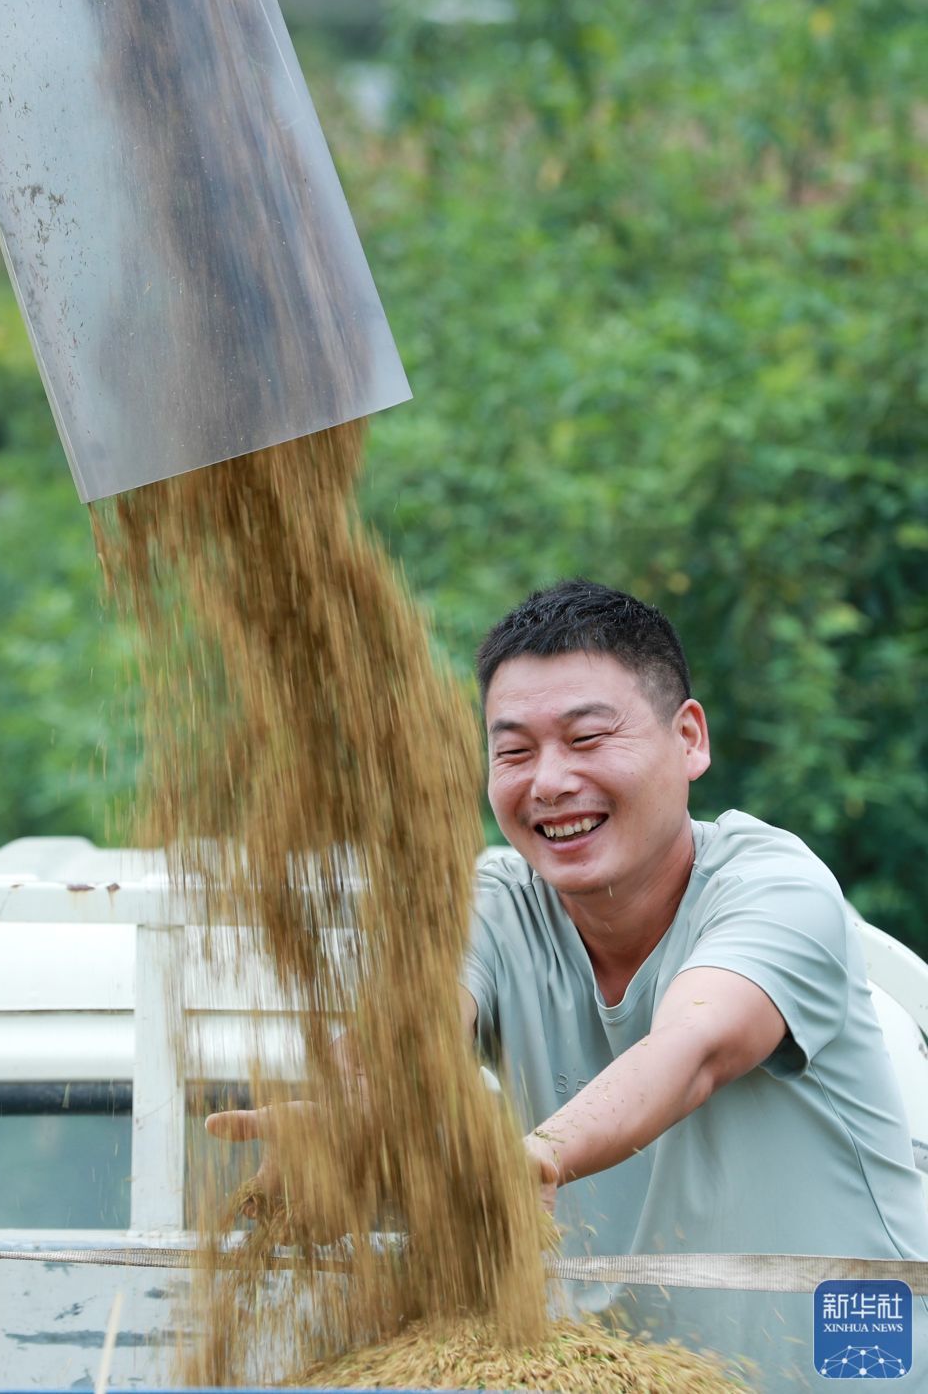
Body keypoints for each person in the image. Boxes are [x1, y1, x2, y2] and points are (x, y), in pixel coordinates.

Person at [209, 579, 928, 1390]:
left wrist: (538, 1158)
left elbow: (691, 1047)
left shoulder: (774, 888)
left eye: (587, 738)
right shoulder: (494, 901)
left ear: (688, 739)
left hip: (848, 1372)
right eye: (513, 752)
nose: (547, 782)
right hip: (620, 1379)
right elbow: (407, 1025)